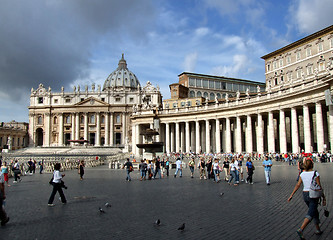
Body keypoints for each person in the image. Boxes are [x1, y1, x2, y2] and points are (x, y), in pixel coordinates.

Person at [288, 159, 326, 239]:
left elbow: (298, 185)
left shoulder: (302, 174)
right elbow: (319, 186)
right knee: (311, 212)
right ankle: (301, 229)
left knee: (314, 211)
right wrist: (323, 197)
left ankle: (318, 229)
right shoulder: (315, 173)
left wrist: (292, 195)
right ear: (312, 165)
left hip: (305, 194)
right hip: (313, 194)